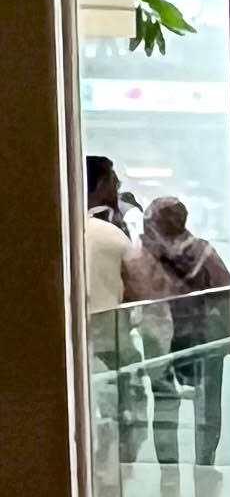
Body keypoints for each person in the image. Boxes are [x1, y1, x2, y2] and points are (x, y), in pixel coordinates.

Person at [122, 195, 230, 469]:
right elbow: (226, 292)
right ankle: (203, 465)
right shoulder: (202, 251)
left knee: (166, 405)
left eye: (151, 221)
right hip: (203, 340)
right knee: (205, 410)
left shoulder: (143, 255)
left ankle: (168, 469)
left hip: (164, 339)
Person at [82, 155, 146, 466]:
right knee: (128, 390)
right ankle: (122, 457)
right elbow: (141, 284)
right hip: (110, 331)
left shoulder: (62, 231)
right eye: (111, 178)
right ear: (100, 183)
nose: (117, 184)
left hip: (80, 335)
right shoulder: (111, 233)